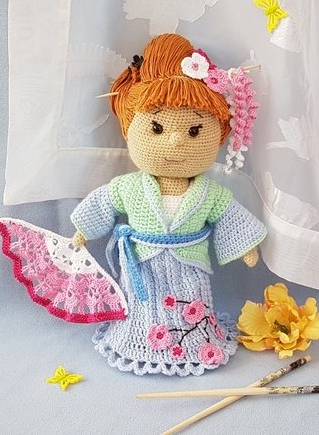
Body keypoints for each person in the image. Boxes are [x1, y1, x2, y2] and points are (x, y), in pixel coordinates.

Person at [69, 33, 267, 376]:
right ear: (130, 129)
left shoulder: (209, 193)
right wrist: (83, 231)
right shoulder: (130, 187)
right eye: (157, 127)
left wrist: (246, 247)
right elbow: (104, 202)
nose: (175, 141)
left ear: (218, 135)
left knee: (191, 304)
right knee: (143, 306)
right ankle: (138, 337)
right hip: (142, 266)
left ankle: (194, 342)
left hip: (190, 269)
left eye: (194, 131)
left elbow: (229, 216)